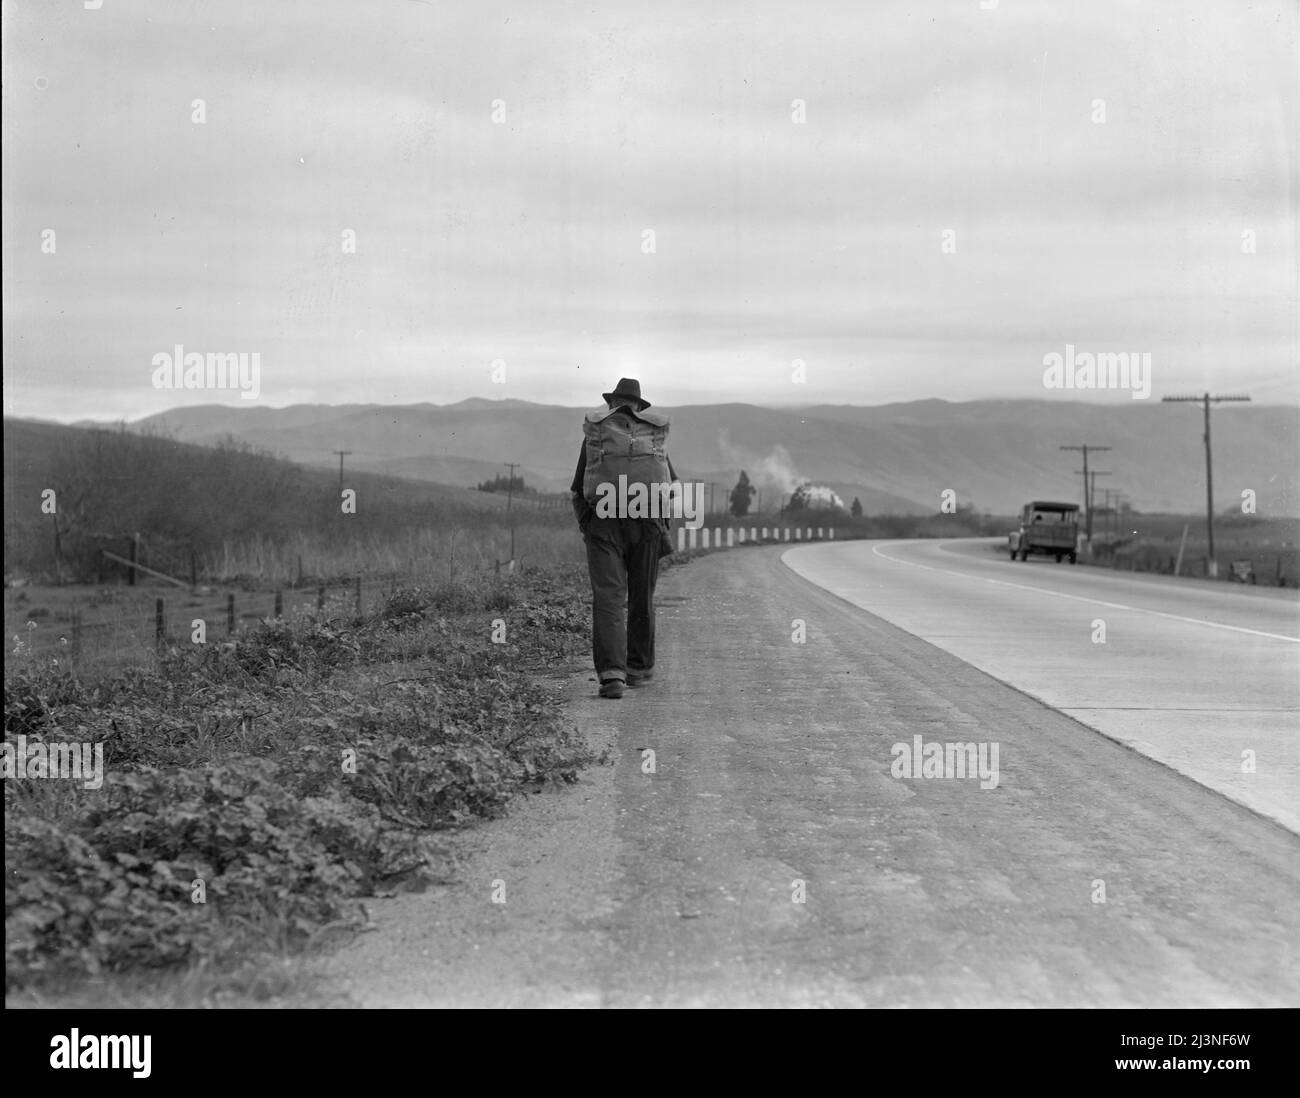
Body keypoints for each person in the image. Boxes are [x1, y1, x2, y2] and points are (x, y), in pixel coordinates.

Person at [570, 378, 677, 699]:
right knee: (641, 595)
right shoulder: (652, 436)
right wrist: (661, 528)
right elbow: (670, 486)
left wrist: (587, 524)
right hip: (647, 524)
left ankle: (612, 676)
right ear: (639, 408)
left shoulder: (598, 436)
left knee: (609, 599)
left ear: (612, 403)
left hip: (604, 523)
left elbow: (578, 488)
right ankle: (639, 669)